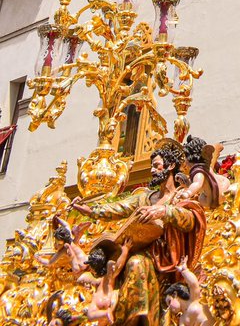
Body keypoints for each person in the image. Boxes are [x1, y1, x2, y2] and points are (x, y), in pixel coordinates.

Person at [70, 140, 205, 326]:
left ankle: (141, 321)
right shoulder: (146, 197)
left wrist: (164, 212)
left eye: (156, 166)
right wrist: (91, 210)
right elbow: (118, 208)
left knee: (136, 263)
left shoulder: (181, 195)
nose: (152, 170)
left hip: (166, 258)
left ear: (171, 166)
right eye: (151, 166)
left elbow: (190, 219)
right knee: (128, 262)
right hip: (139, 250)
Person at [181, 135, 231, 209]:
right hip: (225, 186)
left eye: (184, 158)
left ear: (188, 157)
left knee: (201, 199)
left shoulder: (198, 171)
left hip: (215, 199)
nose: (184, 162)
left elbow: (197, 184)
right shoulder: (206, 167)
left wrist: (187, 193)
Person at [164, 256, 212, 324]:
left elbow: (193, 284)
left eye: (169, 301)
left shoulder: (193, 299)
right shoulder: (182, 319)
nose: (169, 307)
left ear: (175, 294)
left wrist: (184, 271)